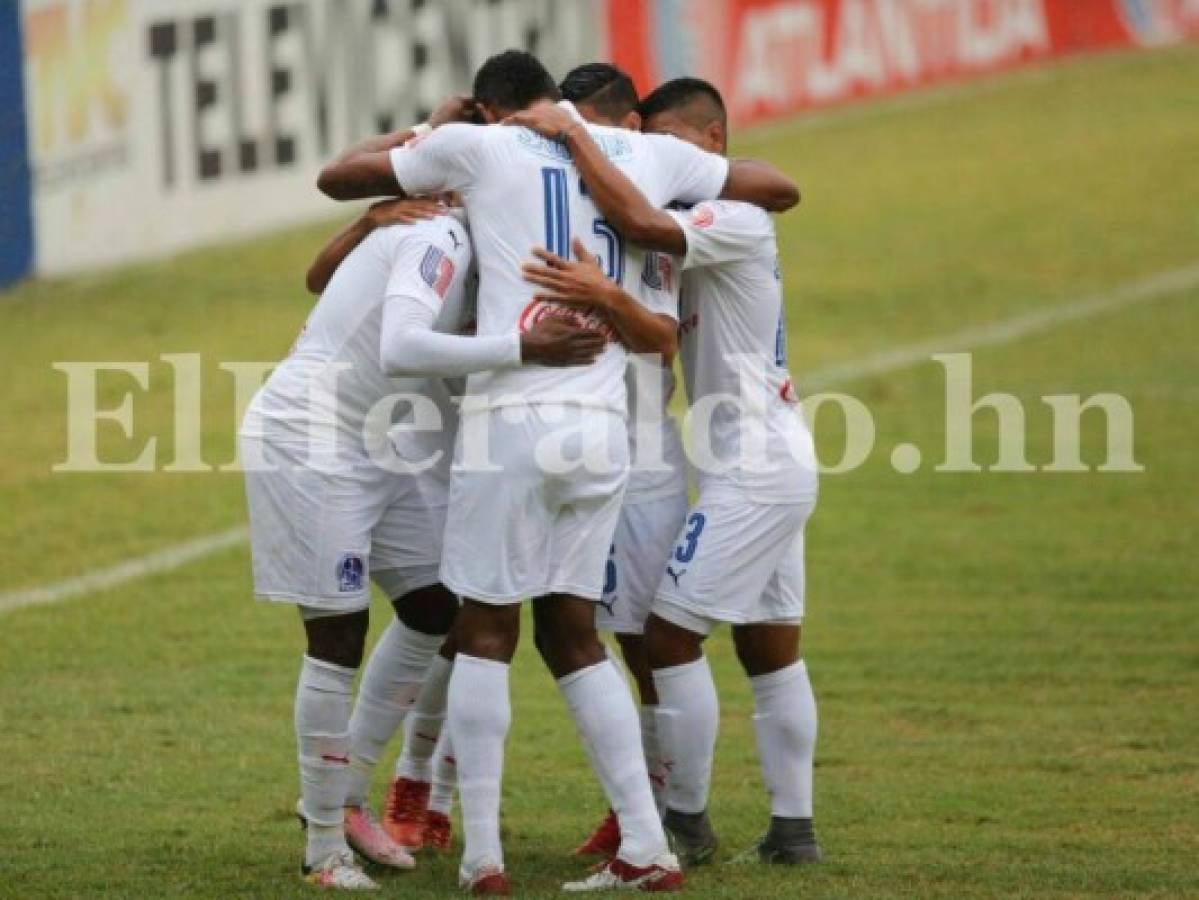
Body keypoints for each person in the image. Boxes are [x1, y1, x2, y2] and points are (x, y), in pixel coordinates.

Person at [317, 48, 800, 894]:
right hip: (606, 430)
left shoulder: (484, 148)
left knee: (484, 633)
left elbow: (339, 177)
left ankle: (479, 855)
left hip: (510, 419)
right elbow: (762, 187)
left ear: (497, 111)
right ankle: (649, 844)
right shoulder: (641, 152)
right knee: (577, 638)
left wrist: (433, 127)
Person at [240, 146, 604, 889]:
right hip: (313, 437)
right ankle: (321, 848)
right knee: (337, 633)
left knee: (437, 604)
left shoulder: (482, 244)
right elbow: (400, 346)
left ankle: (347, 800)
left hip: (386, 439)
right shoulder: (438, 234)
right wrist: (522, 346)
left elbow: (334, 286)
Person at [506, 77, 822, 867]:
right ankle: (793, 830)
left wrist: (574, 135)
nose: (659, 161)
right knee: (768, 647)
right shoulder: (696, 220)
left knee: (668, 636)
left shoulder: (732, 217)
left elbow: (644, 219)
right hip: (754, 457)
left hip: (754, 462)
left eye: (673, 145)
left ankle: (684, 821)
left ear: (713, 142)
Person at [530, 62, 688, 861]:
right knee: (551, 631)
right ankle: (637, 812)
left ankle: (665, 814)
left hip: (642, 464)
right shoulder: (552, 205)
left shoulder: (647, 222)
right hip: (562, 451)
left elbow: (661, 337)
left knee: (640, 646)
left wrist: (599, 295)